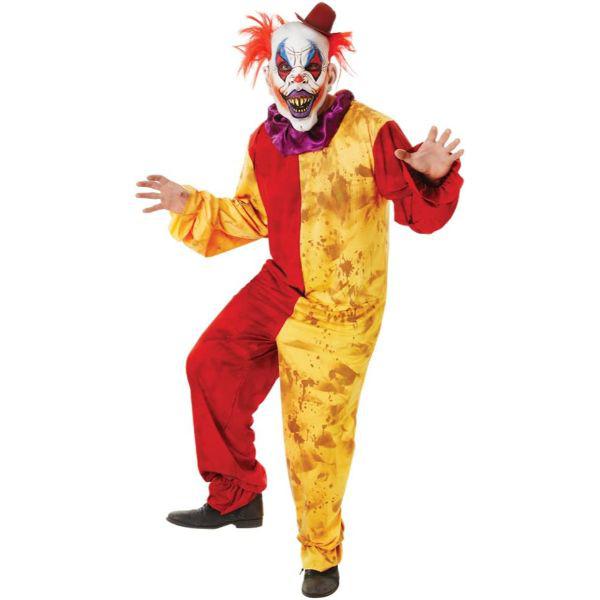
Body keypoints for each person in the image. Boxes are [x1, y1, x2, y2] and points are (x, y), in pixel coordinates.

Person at [135, 3, 464, 597]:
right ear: (269, 77)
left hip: (342, 310)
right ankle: (236, 495)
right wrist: (191, 204)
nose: (297, 80)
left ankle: (320, 555)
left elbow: (418, 214)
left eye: (310, 68)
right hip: (282, 284)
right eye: (285, 70)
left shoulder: (372, 131)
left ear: (329, 73)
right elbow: (252, 216)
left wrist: (432, 177)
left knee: (314, 436)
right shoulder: (265, 140)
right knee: (210, 362)